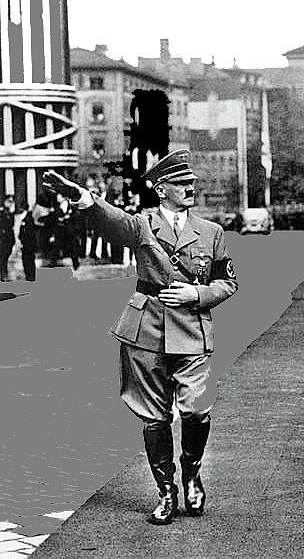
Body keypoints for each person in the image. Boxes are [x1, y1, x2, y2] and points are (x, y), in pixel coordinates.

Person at [41, 149, 238, 525]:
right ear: (161, 189)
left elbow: (227, 282)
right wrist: (78, 195)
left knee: (197, 409)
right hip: (145, 330)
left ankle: (192, 473)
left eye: (192, 183)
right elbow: (108, 219)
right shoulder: (142, 225)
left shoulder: (212, 232)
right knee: (153, 416)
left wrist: (196, 294)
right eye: (182, 184)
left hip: (192, 329)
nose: (191, 188)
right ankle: (166, 491)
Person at [18, 208, 37, 281]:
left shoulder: (28, 219)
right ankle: (29, 276)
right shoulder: (25, 218)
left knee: (29, 261)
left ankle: (30, 276)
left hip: (29, 245)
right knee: (27, 260)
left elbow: (28, 234)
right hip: (26, 245)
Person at [0, 195, 14, 281]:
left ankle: (4, 275)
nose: (10, 203)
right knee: (2, 258)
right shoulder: (2, 213)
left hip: (8, 239)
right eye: (9, 201)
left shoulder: (9, 213)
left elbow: (11, 225)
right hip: (2, 239)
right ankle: (3, 275)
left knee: (5, 258)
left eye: (11, 202)